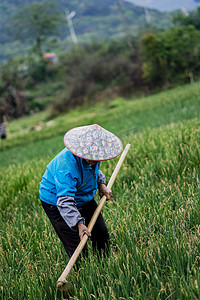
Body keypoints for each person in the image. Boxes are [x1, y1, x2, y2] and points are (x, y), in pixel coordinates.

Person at [39, 124, 123, 258]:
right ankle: (82, 271)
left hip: (83, 196)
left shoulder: (95, 157)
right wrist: (78, 224)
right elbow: (65, 201)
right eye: (89, 155)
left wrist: (101, 184)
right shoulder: (66, 167)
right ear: (81, 149)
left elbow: (94, 172)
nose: (93, 159)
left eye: (96, 157)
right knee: (77, 244)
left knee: (101, 233)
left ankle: (104, 265)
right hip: (57, 201)